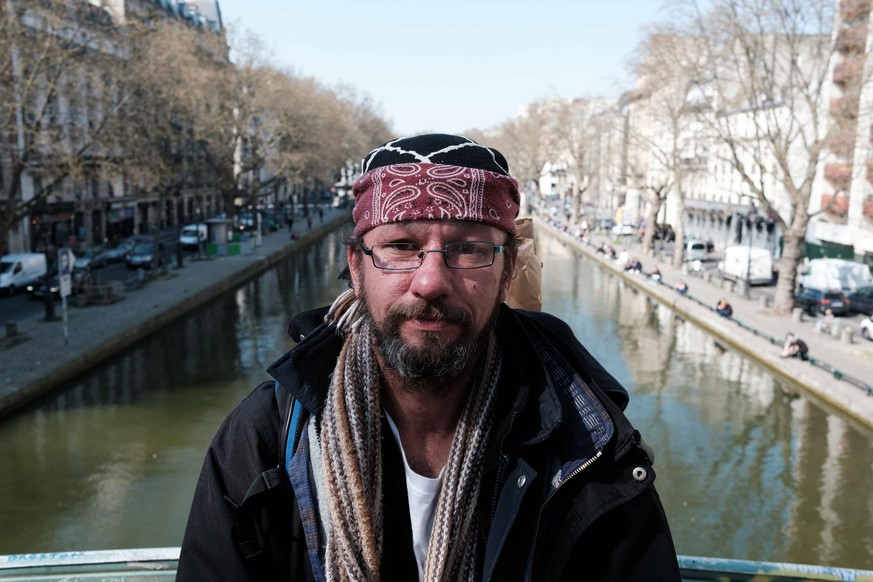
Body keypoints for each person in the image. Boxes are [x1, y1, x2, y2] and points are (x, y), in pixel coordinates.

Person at [177, 134, 681, 581]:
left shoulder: (591, 450)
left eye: (467, 249)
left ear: (507, 275)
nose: (431, 281)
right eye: (400, 245)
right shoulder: (264, 442)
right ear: (357, 267)